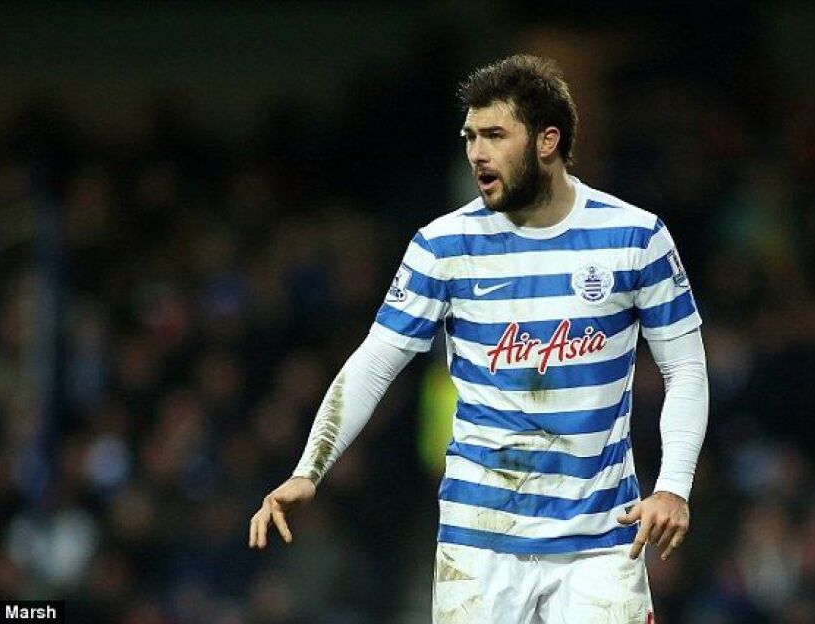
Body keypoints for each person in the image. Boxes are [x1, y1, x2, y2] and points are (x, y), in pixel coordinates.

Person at [248, 54, 708, 623]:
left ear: (547, 140)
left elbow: (686, 368)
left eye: (494, 135)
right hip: (479, 542)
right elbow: (374, 362)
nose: (476, 153)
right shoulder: (443, 246)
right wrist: (309, 469)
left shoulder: (635, 237)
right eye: (470, 136)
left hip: (601, 542)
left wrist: (674, 486)